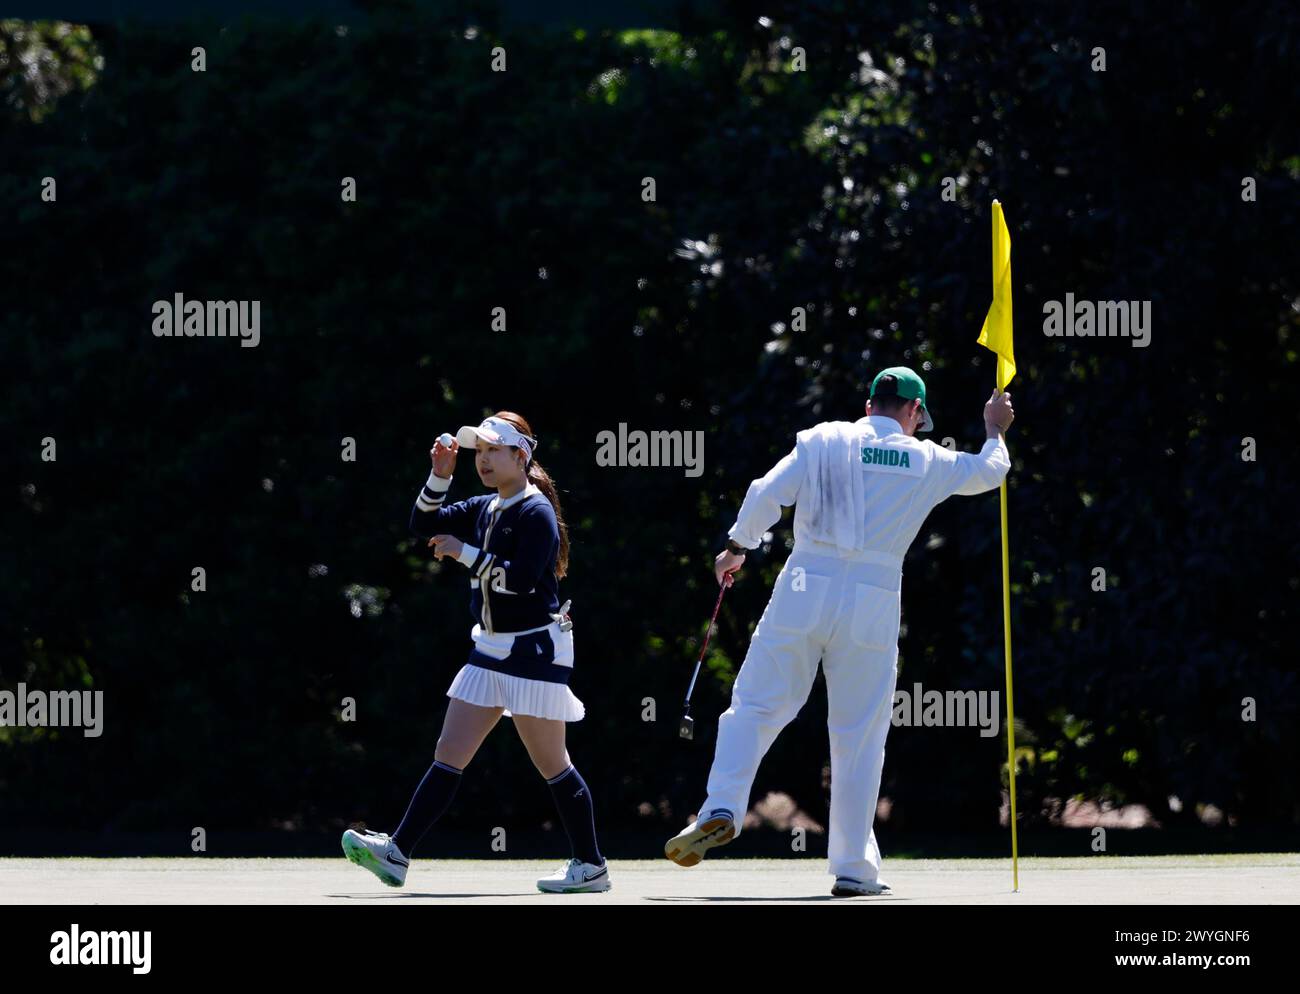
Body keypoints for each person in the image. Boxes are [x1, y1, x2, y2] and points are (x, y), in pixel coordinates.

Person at [664, 367, 1014, 896]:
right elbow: (990, 472)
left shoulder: (824, 438)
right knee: (859, 737)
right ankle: (853, 868)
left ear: (870, 403)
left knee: (755, 706)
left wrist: (737, 547)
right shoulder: (927, 459)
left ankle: (721, 807)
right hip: (872, 599)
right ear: (915, 414)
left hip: (805, 584)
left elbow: (766, 492)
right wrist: (995, 429)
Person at [342, 412, 609, 894]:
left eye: (493, 451)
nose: (482, 460)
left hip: (535, 651)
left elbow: (523, 581)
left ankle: (591, 866)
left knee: (552, 763)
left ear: (520, 457)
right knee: (450, 752)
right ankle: (398, 854)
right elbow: (420, 523)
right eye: (479, 452)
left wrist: (464, 553)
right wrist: (439, 474)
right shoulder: (486, 506)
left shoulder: (536, 512)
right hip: (488, 649)